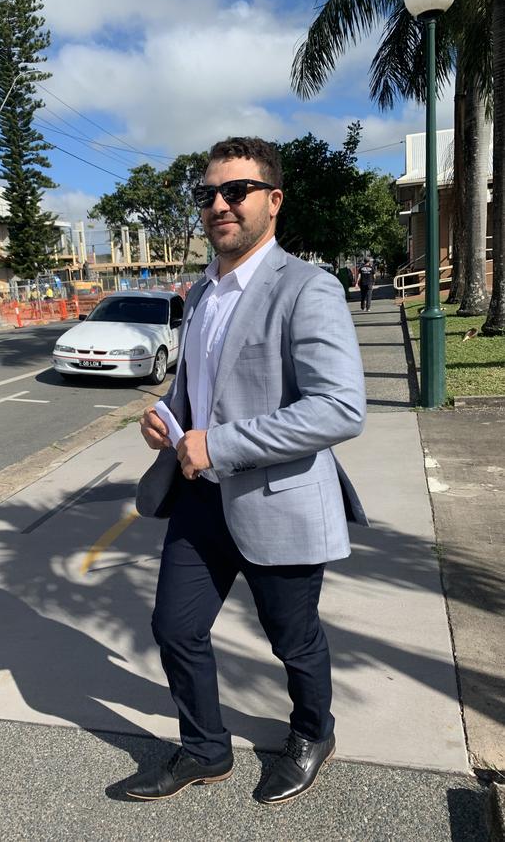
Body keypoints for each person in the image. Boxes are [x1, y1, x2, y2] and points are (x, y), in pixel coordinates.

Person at [132, 136, 367, 805]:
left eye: (235, 191)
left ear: (273, 199)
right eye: (207, 194)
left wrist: (222, 444)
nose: (219, 205)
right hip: (201, 499)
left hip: (277, 497)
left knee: (293, 642)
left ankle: (312, 731)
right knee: (175, 627)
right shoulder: (203, 292)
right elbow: (198, 389)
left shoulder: (307, 288)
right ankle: (206, 748)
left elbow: (340, 409)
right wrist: (169, 418)